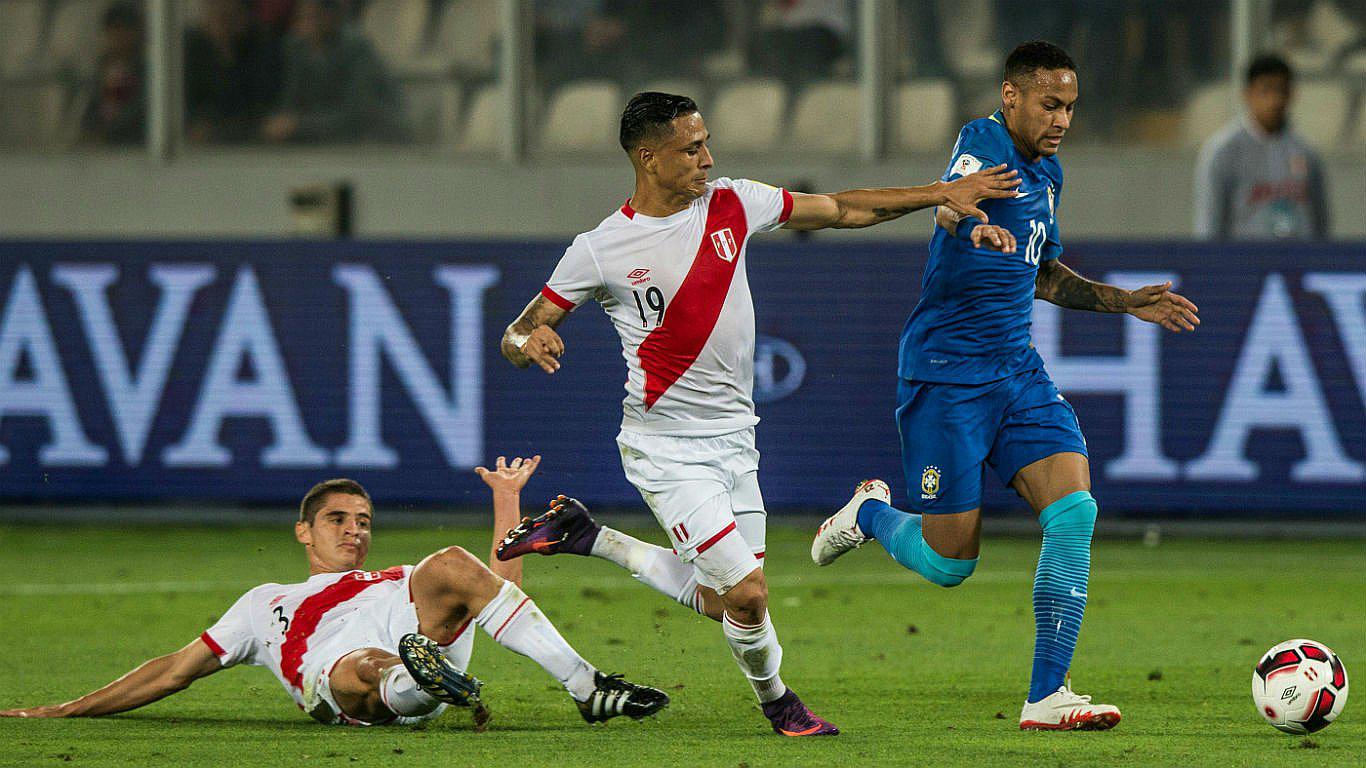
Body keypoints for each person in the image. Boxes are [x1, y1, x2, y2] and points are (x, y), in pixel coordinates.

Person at [494, 90, 1020, 737]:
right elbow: (517, 333)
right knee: (748, 596)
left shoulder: (732, 203)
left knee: (725, 600)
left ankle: (589, 536)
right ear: (649, 157)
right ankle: (779, 704)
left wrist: (939, 193)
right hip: (667, 449)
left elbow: (842, 208)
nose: (708, 159)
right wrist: (530, 343)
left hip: (736, 441)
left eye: (708, 143)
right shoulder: (602, 247)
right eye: (692, 149)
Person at [810, 41, 1200, 731]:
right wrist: (975, 224)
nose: (1062, 120)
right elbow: (951, 207)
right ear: (1012, 95)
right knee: (950, 564)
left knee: (1074, 512)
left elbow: (1043, 273)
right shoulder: (984, 141)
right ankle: (869, 514)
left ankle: (1048, 696)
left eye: (1072, 108)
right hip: (946, 375)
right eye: (1051, 104)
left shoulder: (1049, 176)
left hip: (1016, 373)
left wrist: (1122, 302)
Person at [0, 456, 668, 727]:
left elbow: (498, 590)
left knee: (454, 564)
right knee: (362, 666)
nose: (354, 531)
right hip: (340, 680)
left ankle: (583, 685)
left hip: (424, 643)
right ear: (304, 531)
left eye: (364, 522)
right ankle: (412, 679)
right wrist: (68, 710)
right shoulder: (265, 603)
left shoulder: (396, 579)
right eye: (338, 520)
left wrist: (508, 501)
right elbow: (174, 670)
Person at [1193, 53, 1329, 240]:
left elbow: (1320, 222)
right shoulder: (1223, 152)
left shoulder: (1306, 152)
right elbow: (1210, 224)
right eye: (1266, 90)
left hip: (1296, 263)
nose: (1275, 100)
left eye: (1282, 90)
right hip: (1244, 264)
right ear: (1247, 94)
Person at [260, 0, 407, 144]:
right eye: (301, 16)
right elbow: (291, 99)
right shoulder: (296, 48)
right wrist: (282, 122)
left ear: (330, 16)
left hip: (377, 135)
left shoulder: (357, 49)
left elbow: (357, 112)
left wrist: (299, 126)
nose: (304, 24)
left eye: (311, 16)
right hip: (323, 133)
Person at [79, 2, 146, 146]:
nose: (120, 36)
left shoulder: (149, 71)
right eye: (114, 30)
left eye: (126, 29)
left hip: (134, 150)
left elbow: (141, 113)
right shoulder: (101, 71)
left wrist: (108, 134)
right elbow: (89, 111)